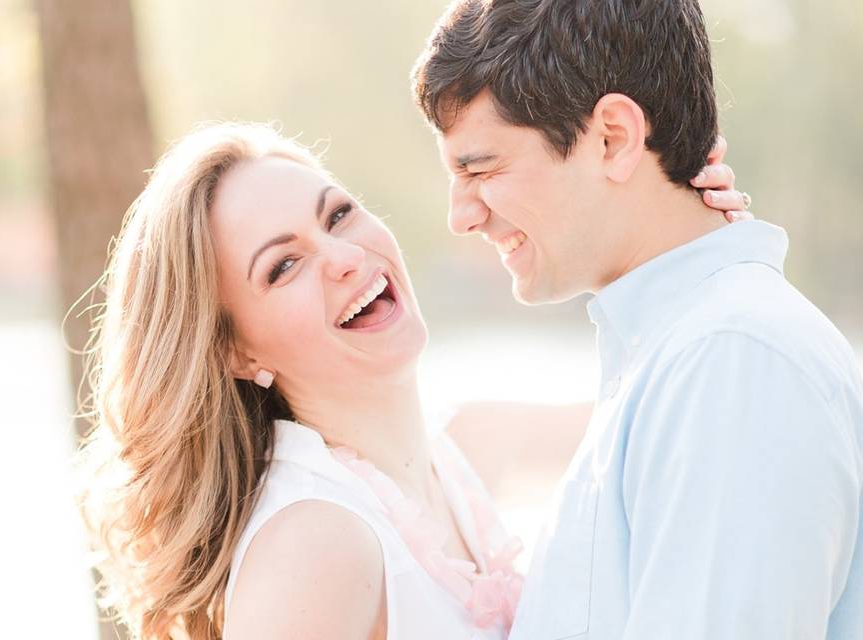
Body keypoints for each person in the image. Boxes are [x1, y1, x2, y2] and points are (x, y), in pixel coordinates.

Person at [75, 121, 743, 639]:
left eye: (338, 214)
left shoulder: (467, 445)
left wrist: (693, 238)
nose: (342, 256)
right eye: (283, 266)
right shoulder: (313, 542)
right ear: (236, 352)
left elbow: (680, 406)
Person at [412, 0, 863, 638]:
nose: (461, 216)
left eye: (482, 169)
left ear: (613, 138)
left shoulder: (731, 360)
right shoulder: (679, 352)